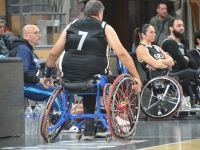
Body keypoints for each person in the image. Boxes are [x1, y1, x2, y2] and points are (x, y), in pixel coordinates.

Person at [43, 0, 142, 140]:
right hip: (94, 77)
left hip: (69, 79)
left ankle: (89, 129)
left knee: (90, 83)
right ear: (100, 13)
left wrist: (47, 75)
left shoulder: (72, 25)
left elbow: (53, 54)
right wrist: (136, 76)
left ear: (86, 13)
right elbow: (122, 53)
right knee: (106, 82)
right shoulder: (104, 27)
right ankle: (102, 126)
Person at [134, 24, 200, 108]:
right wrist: (161, 63)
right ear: (143, 35)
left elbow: (172, 61)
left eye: (154, 32)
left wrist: (160, 61)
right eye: (151, 32)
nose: (154, 34)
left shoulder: (156, 47)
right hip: (156, 76)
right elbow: (156, 64)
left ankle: (192, 101)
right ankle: (190, 102)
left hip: (167, 74)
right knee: (191, 72)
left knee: (194, 73)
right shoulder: (141, 48)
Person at [9, 24, 58, 102]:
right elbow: (22, 73)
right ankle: (58, 114)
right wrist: (40, 80)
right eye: (36, 33)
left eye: (39, 32)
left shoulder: (28, 49)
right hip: (23, 86)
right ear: (26, 36)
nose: (40, 35)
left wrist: (45, 81)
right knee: (55, 94)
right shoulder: (23, 50)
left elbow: (35, 70)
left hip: (30, 83)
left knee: (59, 89)